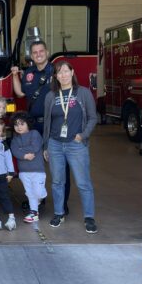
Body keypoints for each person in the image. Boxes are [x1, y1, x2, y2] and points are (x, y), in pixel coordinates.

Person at [11, 41, 71, 215]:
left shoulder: (57, 70)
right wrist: (15, 75)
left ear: (47, 52)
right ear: (31, 55)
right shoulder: (28, 73)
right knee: (36, 165)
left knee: (59, 165)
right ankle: (38, 200)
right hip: (35, 126)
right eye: (34, 52)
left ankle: (62, 205)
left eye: (41, 51)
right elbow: (21, 93)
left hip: (55, 123)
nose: (38, 54)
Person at [43, 61, 98, 234]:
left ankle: (89, 217)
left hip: (76, 145)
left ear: (72, 72)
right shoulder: (51, 96)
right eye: (59, 72)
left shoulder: (83, 93)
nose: (63, 75)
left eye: (66, 71)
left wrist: (83, 136)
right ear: (55, 76)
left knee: (83, 183)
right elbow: (47, 122)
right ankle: (59, 213)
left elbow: (92, 117)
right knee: (58, 182)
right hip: (55, 144)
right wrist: (46, 145)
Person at [10, 112, 46, 223]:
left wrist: (21, 150)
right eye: (16, 125)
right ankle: (34, 213)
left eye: (22, 124)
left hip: (38, 170)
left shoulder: (35, 134)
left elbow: (35, 147)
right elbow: (14, 151)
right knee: (30, 193)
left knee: (38, 193)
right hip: (23, 172)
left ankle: (40, 198)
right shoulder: (15, 139)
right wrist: (24, 155)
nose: (19, 127)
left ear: (28, 124)